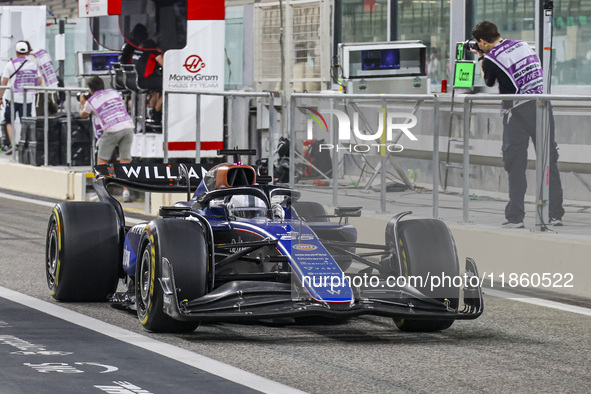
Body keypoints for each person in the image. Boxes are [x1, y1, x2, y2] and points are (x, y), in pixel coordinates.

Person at [471, 21, 565, 228]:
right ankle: (555, 214)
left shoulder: (491, 59)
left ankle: (516, 217)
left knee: (515, 165)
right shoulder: (522, 45)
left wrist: (480, 58)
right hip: (542, 106)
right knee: (549, 161)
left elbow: (488, 82)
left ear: (483, 41)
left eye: (480, 44)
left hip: (517, 113)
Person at [79, 76, 135, 202]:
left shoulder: (91, 101)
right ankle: (126, 192)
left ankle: (101, 192)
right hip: (127, 126)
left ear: (90, 90)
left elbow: (83, 114)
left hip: (111, 129)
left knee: (102, 161)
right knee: (125, 161)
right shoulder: (114, 92)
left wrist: (83, 102)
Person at [0, 40, 42, 155]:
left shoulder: (10, 64)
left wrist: (0, 97)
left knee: (9, 120)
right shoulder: (33, 65)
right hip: (27, 98)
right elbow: (39, 81)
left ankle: (13, 145)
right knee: (25, 121)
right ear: (27, 51)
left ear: (17, 52)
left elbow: (4, 82)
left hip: (12, 98)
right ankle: (24, 144)